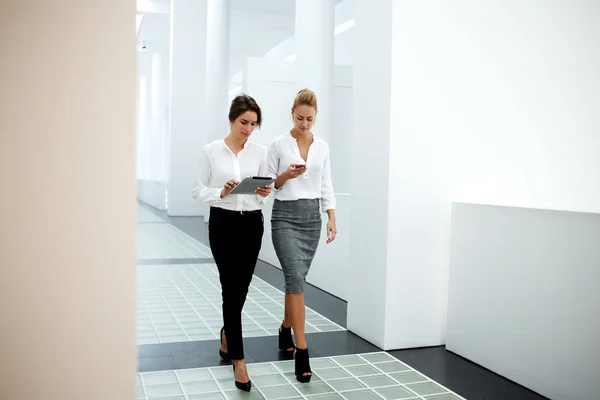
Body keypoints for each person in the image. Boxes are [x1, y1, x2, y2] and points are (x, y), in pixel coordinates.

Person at [192, 94, 271, 392]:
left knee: (242, 288)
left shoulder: (260, 152)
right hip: (223, 224)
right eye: (243, 122)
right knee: (230, 288)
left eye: (253, 124)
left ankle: (228, 331)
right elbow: (198, 189)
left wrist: (264, 191)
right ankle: (239, 360)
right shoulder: (211, 151)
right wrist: (220, 193)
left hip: (252, 224)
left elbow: (267, 189)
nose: (248, 129)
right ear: (231, 119)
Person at [267, 88, 337, 383]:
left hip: (311, 219)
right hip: (284, 217)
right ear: (291, 114)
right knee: (295, 278)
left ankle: (286, 327)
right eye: (299, 118)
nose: (304, 123)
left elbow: (326, 183)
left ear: (315, 116)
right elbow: (270, 183)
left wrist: (331, 215)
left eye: (309, 119)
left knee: (295, 281)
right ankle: (302, 349)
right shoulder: (278, 144)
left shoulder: (322, 146)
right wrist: (287, 176)